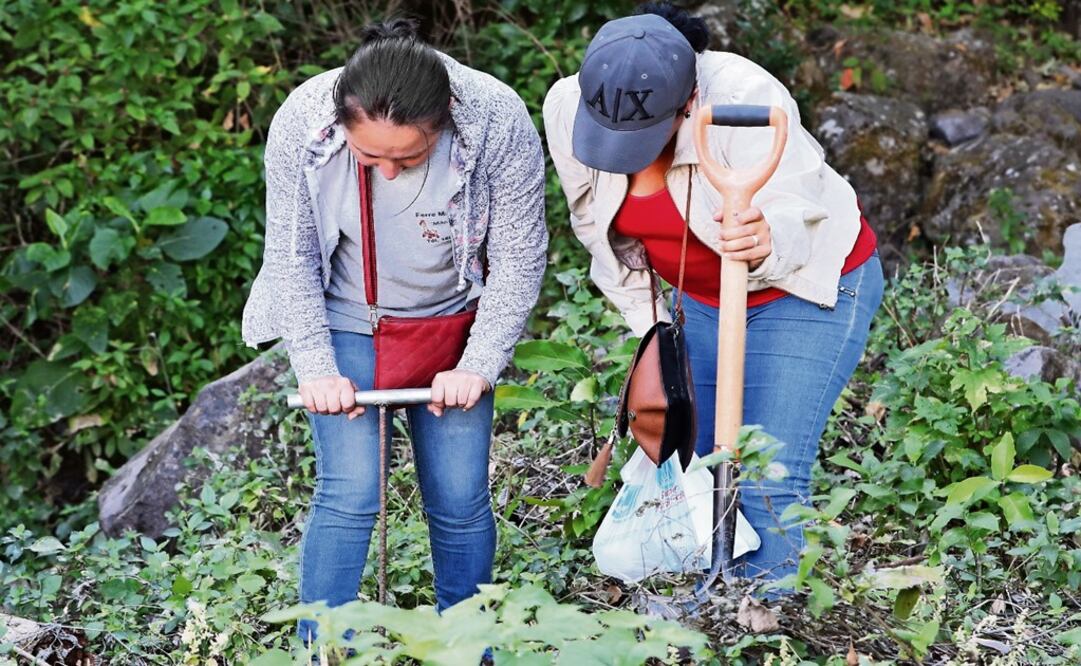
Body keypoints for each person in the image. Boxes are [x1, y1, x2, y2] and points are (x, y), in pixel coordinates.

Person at [543, 2, 883, 587]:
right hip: (701, 300)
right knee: (693, 460)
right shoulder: (569, 105)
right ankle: (707, 607)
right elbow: (593, 224)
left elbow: (797, 206)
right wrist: (648, 331)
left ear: (689, 106)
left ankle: (762, 619)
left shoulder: (746, 97)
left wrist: (765, 237)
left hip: (804, 289)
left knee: (764, 471)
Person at [241, 18, 547, 643]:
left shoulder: (495, 116)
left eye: (407, 156)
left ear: (445, 119)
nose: (386, 171)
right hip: (347, 317)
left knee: (460, 499)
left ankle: (467, 648)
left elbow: (519, 254)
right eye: (368, 156)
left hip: (452, 324)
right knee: (351, 491)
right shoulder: (303, 118)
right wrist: (318, 372)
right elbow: (292, 256)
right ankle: (322, 650)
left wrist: (481, 361)